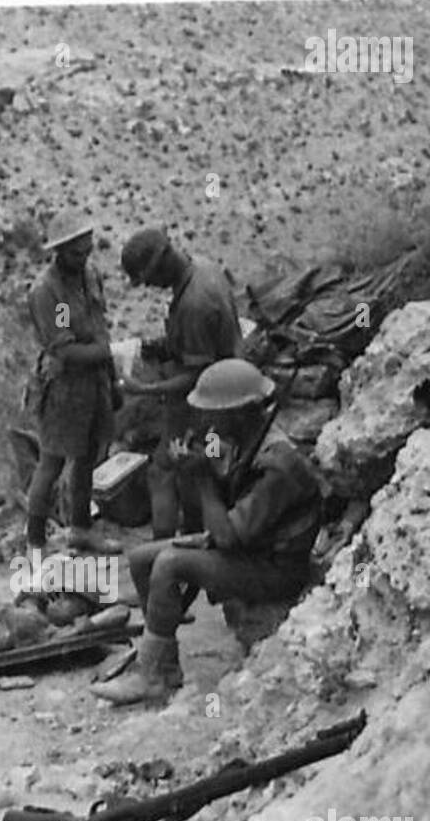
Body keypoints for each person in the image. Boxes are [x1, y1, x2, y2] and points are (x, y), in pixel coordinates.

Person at [91, 359, 323, 706]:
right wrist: (194, 466)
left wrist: (200, 478)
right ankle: (163, 665)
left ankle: (150, 677)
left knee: (170, 564)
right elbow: (218, 487)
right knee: (141, 558)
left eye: (215, 413)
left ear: (242, 412)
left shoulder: (279, 464)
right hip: (247, 547)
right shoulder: (240, 440)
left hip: (275, 567)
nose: (207, 422)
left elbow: (228, 535)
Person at [115, 226, 245, 539]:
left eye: (149, 279)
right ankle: (196, 538)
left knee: (167, 469)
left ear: (160, 265)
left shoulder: (193, 304)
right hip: (227, 388)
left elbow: (196, 376)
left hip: (209, 403)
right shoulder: (203, 267)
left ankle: (167, 550)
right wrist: (162, 346)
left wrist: (145, 389)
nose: (152, 287)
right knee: (198, 469)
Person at [23, 208, 121, 556]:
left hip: (95, 383)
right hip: (63, 387)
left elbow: (98, 326)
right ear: (60, 252)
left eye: (88, 249)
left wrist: (112, 376)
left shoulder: (90, 276)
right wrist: (113, 352)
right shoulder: (47, 292)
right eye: (77, 253)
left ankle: (81, 528)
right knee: (51, 462)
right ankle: (35, 541)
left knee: (87, 457)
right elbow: (65, 350)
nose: (84, 258)